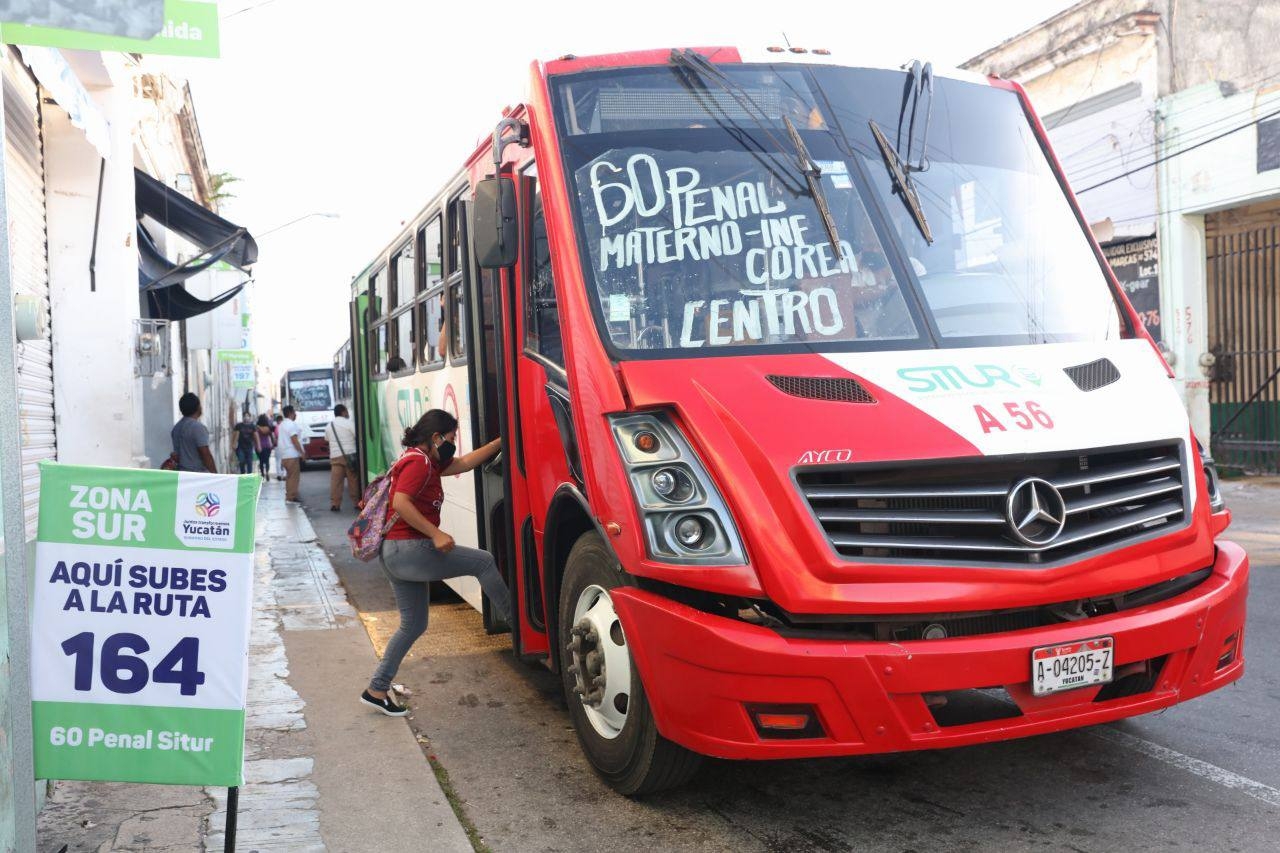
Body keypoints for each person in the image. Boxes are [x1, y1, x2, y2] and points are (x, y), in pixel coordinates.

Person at [361, 409, 507, 716]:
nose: (454, 444)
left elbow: (465, 463)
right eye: (451, 438)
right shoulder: (418, 462)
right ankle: (517, 625)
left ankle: (377, 689)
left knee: (413, 624)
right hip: (409, 549)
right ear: (436, 437)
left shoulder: (423, 459)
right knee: (483, 562)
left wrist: (502, 441)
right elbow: (401, 502)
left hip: (396, 553)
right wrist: (436, 533)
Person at [325, 403, 360, 512]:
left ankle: (335, 503)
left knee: (336, 481)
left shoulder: (329, 426)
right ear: (343, 412)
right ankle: (356, 502)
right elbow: (357, 435)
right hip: (350, 455)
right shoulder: (349, 423)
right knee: (353, 480)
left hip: (335, 456)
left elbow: (326, 439)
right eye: (347, 411)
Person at [170, 392, 216, 473]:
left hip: (181, 474)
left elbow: (177, 455)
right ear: (198, 407)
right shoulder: (198, 427)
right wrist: (215, 475)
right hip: (197, 475)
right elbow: (205, 454)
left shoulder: (176, 428)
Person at [277, 405, 306, 503]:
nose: (295, 414)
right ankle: (292, 496)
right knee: (294, 477)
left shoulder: (281, 425)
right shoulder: (291, 424)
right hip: (292, 455)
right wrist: (302, 452)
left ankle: (289, 495)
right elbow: (294, 440)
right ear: (290, 413)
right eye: (294, 412)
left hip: (284, 456)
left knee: (289, 477)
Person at [254, 414, 275, 481]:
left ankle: (262, 474)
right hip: (267, 446)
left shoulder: (256, 428)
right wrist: (273, 444)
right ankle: (267, 472)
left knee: (261, 461)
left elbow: (254, 437)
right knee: (267, 461)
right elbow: (271, 436)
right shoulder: (268, 428)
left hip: (258, 446)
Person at [272, 414, 285, 480]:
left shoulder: (275, 427)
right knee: (284, 460)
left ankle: (279, 474)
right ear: (282, 420)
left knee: (278, 461)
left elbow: (274, 438)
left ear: (277, 421)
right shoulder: (285, 427)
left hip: (277, 446)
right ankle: (285, 474)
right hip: (284, 446)